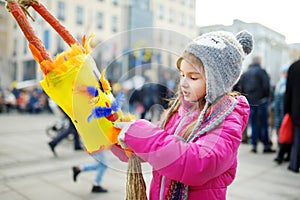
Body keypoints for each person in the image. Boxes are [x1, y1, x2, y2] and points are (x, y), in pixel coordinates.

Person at [113, 30, 253, 199]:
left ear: (217, 82)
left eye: (193, 78)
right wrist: (114, 137)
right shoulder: (181, 110)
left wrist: (144, 135)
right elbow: (156, 148)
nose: (183, 84)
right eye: (182, 75)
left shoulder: (227, 120)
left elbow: (198, 163)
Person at [237, 55, 275, 153]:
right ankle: (266, 145)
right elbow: (267, 86)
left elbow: (241, 88)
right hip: (261, 101)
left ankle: (254, 145)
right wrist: (266, 97)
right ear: (259, 61)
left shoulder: (245, 74)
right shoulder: (262, 72)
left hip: (250, 102)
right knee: (263, 124)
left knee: (253, 124)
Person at [273, 65, 291, 164]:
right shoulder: (281, 83)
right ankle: (282, 152)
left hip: (283, 114)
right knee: (280, 132)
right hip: (278, 113)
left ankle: (282, 154)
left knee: (284, 134)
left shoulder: (285, 84)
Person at [284, 59, 300, 173]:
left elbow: (288, 91)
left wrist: (287, 110)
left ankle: (294, 164)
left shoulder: (294, 67)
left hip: (296, 109)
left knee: (297, 138)